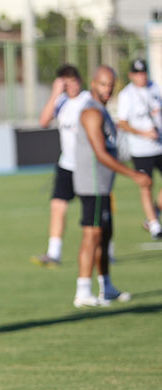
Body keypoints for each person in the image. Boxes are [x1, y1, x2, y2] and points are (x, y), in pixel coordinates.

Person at [72, 66, 152, 308]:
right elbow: (100, 154)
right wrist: (133, 175)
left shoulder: (103, 111)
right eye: (103, 84)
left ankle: (106, 286)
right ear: (93, 83)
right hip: (92, 184)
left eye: (110, 85)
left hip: (103, 185)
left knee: (105, 235)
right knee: (92, 235)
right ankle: (83, 291)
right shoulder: (91, 113)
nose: (107, 90)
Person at [32, 64, 93, 267]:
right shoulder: (61, 102)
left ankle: (105, 250)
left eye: (73, 81)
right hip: (66, 165)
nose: (71, 85)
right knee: (57, 205)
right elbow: (43, 121)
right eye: (66, 82)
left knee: (92, 211)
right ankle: (54, 252)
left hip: (88, 165)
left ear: (80, 81)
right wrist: (55, 94)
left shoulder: (88, 101)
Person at [116, 58, 162, 240]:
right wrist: (143, 133)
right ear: (131, 75)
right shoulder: (126, 95)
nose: (141, 77)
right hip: (140, 149)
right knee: (146, 184)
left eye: (143, 73)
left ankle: (154, 213)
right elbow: (122, 123)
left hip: (159, 145)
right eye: (137, 73)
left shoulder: (155, 88)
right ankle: (154, 225)